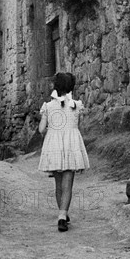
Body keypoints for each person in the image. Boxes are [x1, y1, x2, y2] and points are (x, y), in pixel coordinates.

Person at [38, 72, 89, 232]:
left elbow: (41, 130)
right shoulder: (77, 105)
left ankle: (62, 213)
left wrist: (50, 129)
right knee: (68, 184)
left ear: (56, 86)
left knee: (58, 184)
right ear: (71, 87)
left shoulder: (47, 106)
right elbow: (78, 125)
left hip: (54, 144)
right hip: (71, 144)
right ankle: (62, 214)